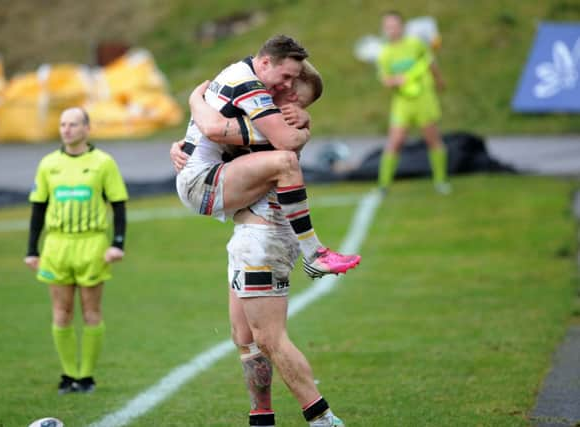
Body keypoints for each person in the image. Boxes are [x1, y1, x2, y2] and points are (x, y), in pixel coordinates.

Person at [171, 63, 345, 427]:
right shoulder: (266, 116)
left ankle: (323, 419)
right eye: (284, 89)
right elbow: (213, 139)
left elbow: (216, 127)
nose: (282, 95)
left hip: (263, 237)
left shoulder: (281, 124)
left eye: (293, 95)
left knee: (270, 338)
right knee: (246, 339)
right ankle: (261, 418)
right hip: (250, 235)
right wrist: (184, 145)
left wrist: (193, 100)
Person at [175, 34, 360, 279]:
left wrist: (300, 127)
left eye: (300, 104)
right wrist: (304, 130)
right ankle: (315, 255)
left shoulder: (252, 87)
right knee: (286, 162)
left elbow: (211, 131)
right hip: (204, 185)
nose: (286, 89)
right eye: (288, 82)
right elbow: (217, 129)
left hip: (215, 187)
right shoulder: (250, 87)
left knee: (241, 320)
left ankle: (312, 254)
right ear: (264, 63)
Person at [24, 107, 128, 394]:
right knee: (61, 311)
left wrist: (117, 243)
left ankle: (87, 377)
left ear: (87, 129)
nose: (66, 129)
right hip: (57, 245)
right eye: (62, 124)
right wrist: (32, 250)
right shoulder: (48, 164)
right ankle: (68, 375)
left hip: (91, 244)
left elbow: (118, 204)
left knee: (91, 311)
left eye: (73, 124)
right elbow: (38, 207)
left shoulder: (103, 163)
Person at [377, 10, 450, 194]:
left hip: (424, 100)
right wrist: (396, 81)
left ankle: (440, 181)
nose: (392, 30)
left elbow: (430, 62)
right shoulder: (385, 53)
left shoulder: (415, 44)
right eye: (388, 27)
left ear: (402, 26)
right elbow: (385, 79)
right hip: (403, 103)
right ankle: (383, 185)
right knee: (395, 142)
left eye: (394, 26)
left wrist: (439, 81)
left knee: (432, 140)